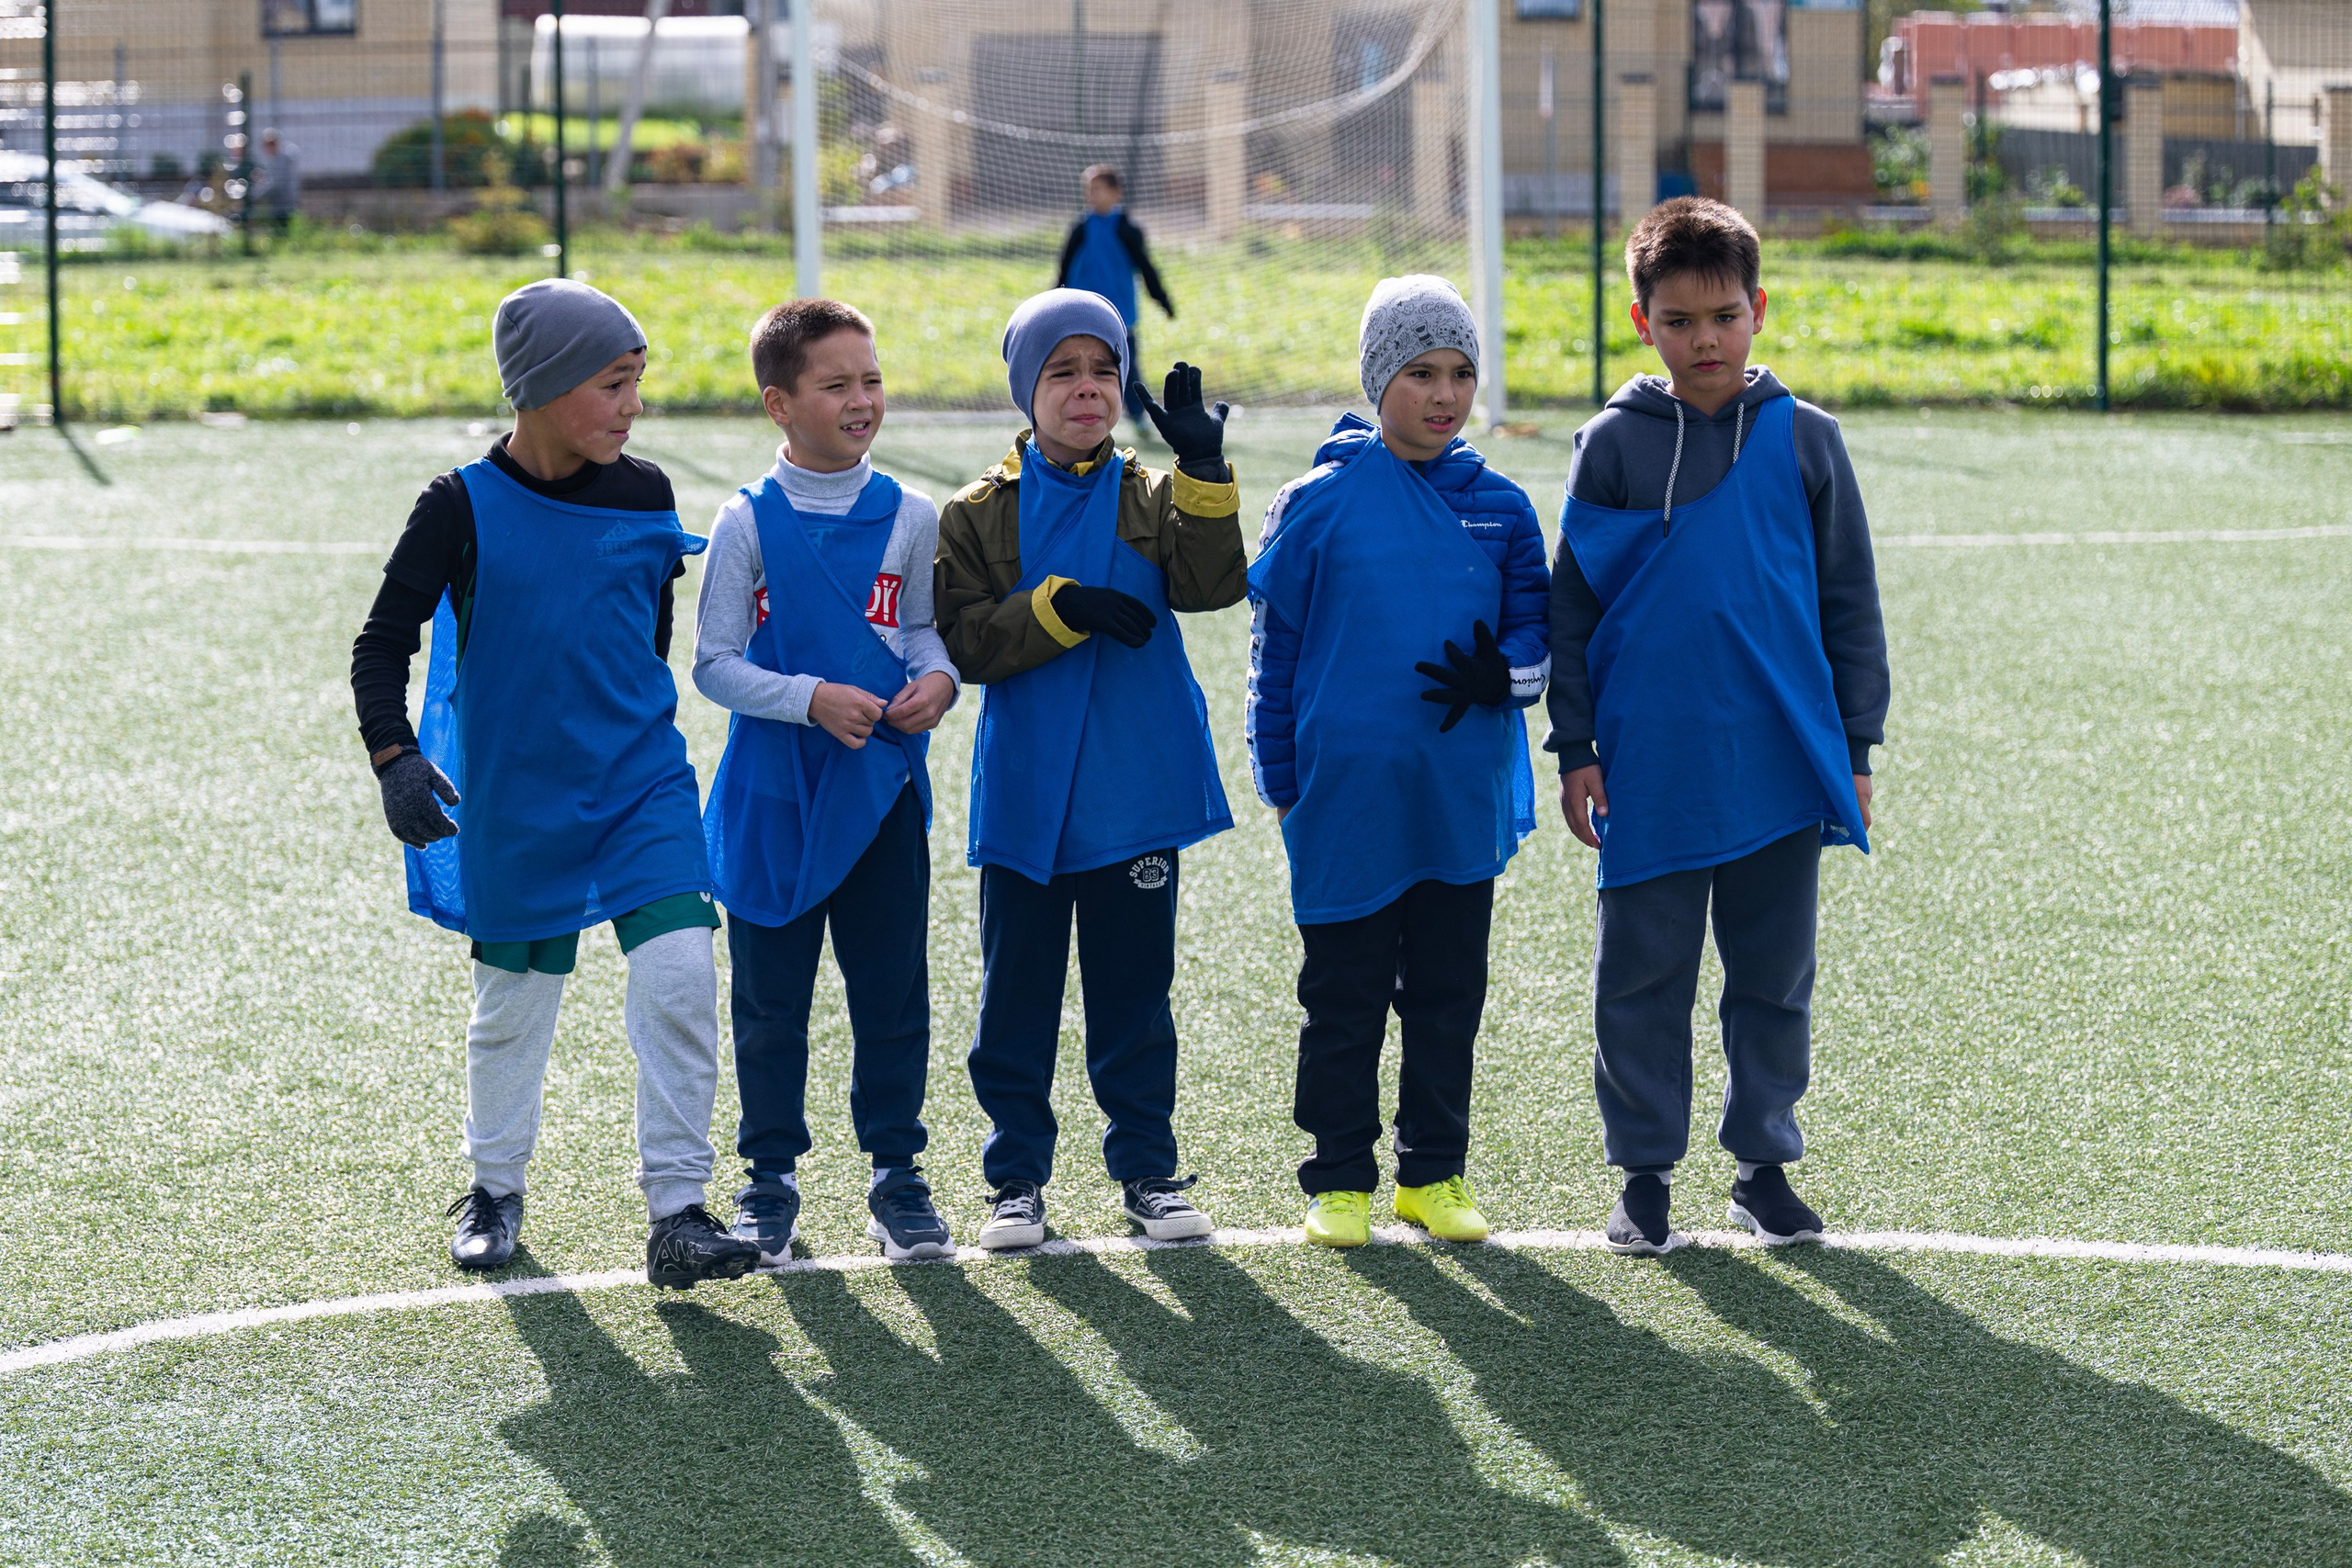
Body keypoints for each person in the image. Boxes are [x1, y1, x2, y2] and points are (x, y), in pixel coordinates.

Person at [349, 279, 759, 1290]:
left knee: (678, 979)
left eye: (637, 385)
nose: (631, 407)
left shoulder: (646, 492)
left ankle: (678, 1211)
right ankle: (494, 1188)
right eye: (613, 385)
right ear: (540, 387)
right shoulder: (456, 506)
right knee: (512, 1009)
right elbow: (379, 645)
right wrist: (396, 760)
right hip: (517, 800)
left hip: (641, 788)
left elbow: (641, 638)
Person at [1547, 197, 1889, 1256]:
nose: (1705, 340)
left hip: (1781, 760)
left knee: (1773, 973)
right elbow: (1572, 610)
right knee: (1641, 976)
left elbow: (1848, 601)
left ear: (1759, 310)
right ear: (1642, 319)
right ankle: (1644, 1176)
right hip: (1649, 765)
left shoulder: (1808, 440)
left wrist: (1856, 746)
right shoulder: (1609, 447)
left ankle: (1761, 1169)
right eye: (1680, 319)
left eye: (1725, 316)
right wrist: (1577, 748)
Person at [935, 288, 1244, 1250]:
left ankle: (1147, 1169)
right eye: (1061, 372)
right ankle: (1014, 1179)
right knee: (1015, 998)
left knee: (1133, 996)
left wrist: (1203, 465)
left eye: (1103, 370)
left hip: (1134, 789)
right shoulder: (980, 513)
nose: (1085, 390)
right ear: (1025, 390)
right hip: (1028, 795)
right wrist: (1061, 607)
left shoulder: (1153, 496)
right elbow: (966, 640)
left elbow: (1211, 585)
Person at [1246, 275, 1549, 1250]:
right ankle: (1336, 1177)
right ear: (1379, 379)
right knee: (1340, 998)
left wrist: (1501, 679)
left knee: (1448, 995)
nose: (1444, 394)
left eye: (1461, 373)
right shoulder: (1315, 503)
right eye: (1420, 372)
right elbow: (1275, 654)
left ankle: (1433, 1173)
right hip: (1345, 797)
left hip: (1455, 794)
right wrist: (1279, 776)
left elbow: (1537, 646)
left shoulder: (1502, 510)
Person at [694, 298, 961, 1265]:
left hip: (880, 793)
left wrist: (940, 677)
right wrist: (808, 699)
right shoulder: (744, 522)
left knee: (891, 993)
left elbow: (921, 629)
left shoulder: (912, 514)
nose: (862, 400)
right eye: (836, 384)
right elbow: (714, 663)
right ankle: (768, 1179)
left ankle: (898, 1175)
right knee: (770, 1003)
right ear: (780, 404)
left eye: (872, 380)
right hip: (772, 796)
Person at [1054, 164, 1174, 428]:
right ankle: (1081, 414)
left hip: (1120, 312)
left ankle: (1138, 415)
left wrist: (1162, 299)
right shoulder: (1081, 228)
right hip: (1083, 311)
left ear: (1115, 192)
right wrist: (1055, 300)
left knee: (1127, 365)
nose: (1090, 196)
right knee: (1081, 363)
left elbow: (1146, 266)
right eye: (1087, 190)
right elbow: (1064, 266)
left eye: (1096, 190)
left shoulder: (1126, 228)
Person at [255, 129, 300, 231]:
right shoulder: (273, 160)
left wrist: (254, 195)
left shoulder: (283, 160)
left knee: (283, 229)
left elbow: (275, 183)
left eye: (271, 144)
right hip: (276, 203)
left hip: (285, 202)